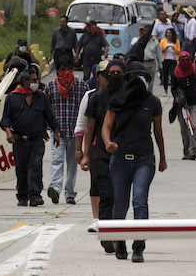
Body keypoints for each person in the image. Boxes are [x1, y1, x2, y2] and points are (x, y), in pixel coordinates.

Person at [101, 61, 167, 263]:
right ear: (127, 80)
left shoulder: (153, 102)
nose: (138, 82)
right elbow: (106, 127)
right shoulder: (117, 100)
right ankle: (119, 240)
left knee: (140, 200)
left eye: (142, 78)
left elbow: (158, 132)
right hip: (120, 160)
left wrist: (163, 157)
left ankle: (138, 246)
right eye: (134, 78)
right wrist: (108, 142)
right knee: (120, 204)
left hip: (144, 160)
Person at [81, 59, 126, 254]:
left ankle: (117, 234)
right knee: (106, 195)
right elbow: (89, 128)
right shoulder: (96, 98)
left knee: (120, 197)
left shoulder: (128, 98)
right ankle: (108, 235)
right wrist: (85, 155)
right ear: (105, 75)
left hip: (124, 154)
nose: (115, 75)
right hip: (100, 154)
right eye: (112, 72)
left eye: (119, 72)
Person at [2, 68, 58, 207]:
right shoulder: (12, 97)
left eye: (37, 80)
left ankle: (35, 196)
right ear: (25, 81)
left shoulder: (41, 97)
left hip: (37, 140)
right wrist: (9, 133)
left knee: (35, 167)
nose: (36, 83)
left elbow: (50, 117)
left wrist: (56, 133)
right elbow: (5, 119)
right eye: (33, 80)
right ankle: (22, 196)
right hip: (20, 140)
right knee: (21, 169)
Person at [44, 57, 89, 205]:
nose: (65, 73)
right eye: (62, 70)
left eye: (67, 69)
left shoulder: (82, 86)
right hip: (57, 132)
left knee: (72, 163)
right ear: (58, 71)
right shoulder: (50, 87)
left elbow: (87, 109)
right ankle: (55, 189)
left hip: (76, 133)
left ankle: (70, 193)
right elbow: (45, 110)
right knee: (57, 160)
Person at [74, 60, 108, 233]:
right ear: (98, 77)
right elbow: (82, 126)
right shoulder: (90, 96)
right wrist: (80, 151)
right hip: (95, 147)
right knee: (96, 182)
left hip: (116, 147)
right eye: (104, 75)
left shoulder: (122, 95)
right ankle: (97, 218)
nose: (108, 78)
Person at [132, 26, 163, 91]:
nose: (146, 32)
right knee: (141, 80)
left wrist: (160, 66)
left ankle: (149, 96)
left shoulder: (155, 42)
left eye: (147, 30)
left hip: (151, 63)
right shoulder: (139, 41)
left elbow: (159, 55)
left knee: (150, 81)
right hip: (141, 63)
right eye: (144, 31)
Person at [160, 28, 181, 97]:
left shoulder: (176, 41)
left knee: (173, 75)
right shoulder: (163, 41)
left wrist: (173, 48)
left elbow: (178, 52)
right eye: (167, 33)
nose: (168, 34)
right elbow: (160, 51)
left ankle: (173, 89)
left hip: (173, 60)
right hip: (165, 60)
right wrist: (165, 48)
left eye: (170, 33)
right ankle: (165, 90)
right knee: (165, 76)